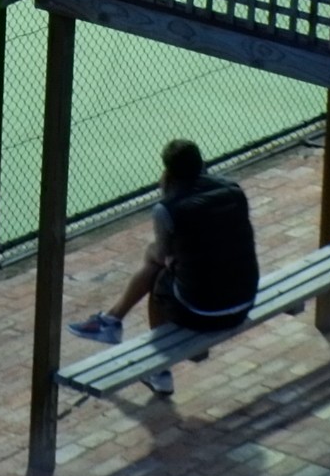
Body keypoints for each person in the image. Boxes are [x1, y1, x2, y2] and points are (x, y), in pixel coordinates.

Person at [74, 138, 261, 398]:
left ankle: (158, 370)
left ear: (168, 172)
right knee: (171, 268)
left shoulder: (168, 209)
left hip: (207, 312)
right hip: (245, 299)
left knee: (159, 277)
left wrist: (159, 246)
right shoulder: (233, 190)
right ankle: (111, 320)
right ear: (202, 164)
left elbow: (161, 255)